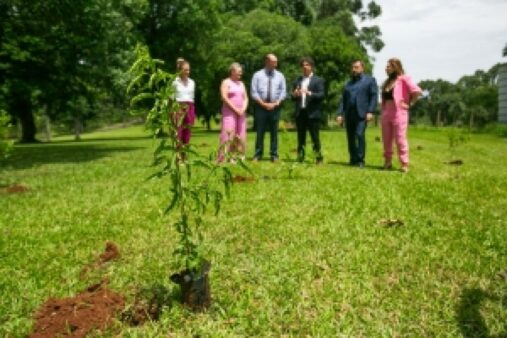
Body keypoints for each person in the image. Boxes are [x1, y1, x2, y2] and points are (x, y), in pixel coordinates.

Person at [381, 58, 422, 173]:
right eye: (386, 66)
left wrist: (410, 103)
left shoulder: (404, 79)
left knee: (400, 139)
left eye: (389, 66)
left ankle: (404, 163)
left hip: (399, 113)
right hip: (386, 113)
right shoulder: (386, 82)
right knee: (386, 139)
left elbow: (416, 91)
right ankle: (387, 162)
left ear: (395, 67)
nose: (386, 68)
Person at [336, 60, 378, 168]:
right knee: (350, 137)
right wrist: (340, 114)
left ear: (362, 68)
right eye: (353, 67)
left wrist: (370, 111)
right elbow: (343, 100)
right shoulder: (348, 84)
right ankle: (353, 158)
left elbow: (374, 96)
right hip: (349, 114)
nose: (354, 69)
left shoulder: (370, 80)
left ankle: (360, 160)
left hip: (362, 114)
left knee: (359, 134)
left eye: (356, 67)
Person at [250, 54, 287, 162]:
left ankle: (274, 155)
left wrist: (276, 103)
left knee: (274, 132)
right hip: (261, 107)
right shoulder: (257, 75)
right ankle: (257, 155)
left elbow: (283, 91)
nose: (276, 64)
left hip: (275, 107)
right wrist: (263, 104)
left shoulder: (280, 75)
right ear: (267, 61)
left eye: (276, 62)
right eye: (274, 62)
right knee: (260, 131)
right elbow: (254, 92)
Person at [291, 57, 325, 164]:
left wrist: (310, 93)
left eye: (307, 65)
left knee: (315, 138)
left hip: (313, 113)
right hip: (301, 112)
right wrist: (295, 94)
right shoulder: (297, 80)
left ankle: (318, 158)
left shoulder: (318, 80)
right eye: (303, 65)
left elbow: (322, 95)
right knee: (301, 138)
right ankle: (300, 157)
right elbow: (292, 97)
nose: (304, 67)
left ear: (311, 66)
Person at [218, 62, 249, 163]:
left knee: (240, 134)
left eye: (241, 72)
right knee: (228, 134)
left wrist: (243, 108)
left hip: (241, 112)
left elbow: (245, 98)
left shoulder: (242, 84)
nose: (241, 73)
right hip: (229, 112)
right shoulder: (226, 82)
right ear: (232, 71)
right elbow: (224, 97)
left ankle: (237, 156)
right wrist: (235, 109)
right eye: (238, 72)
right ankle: (223, 157)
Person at [172, 58, 196, 147]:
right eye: (185, 70)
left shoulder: (192, 82)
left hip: (189, 107)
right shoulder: (175, 82)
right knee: (178, 134)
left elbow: (191, 98)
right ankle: (178, 158)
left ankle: (184, 158)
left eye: (188, 70)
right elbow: (171, 98)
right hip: (178, 107)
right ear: (180, 70)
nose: (187, 72)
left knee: (187, 134)